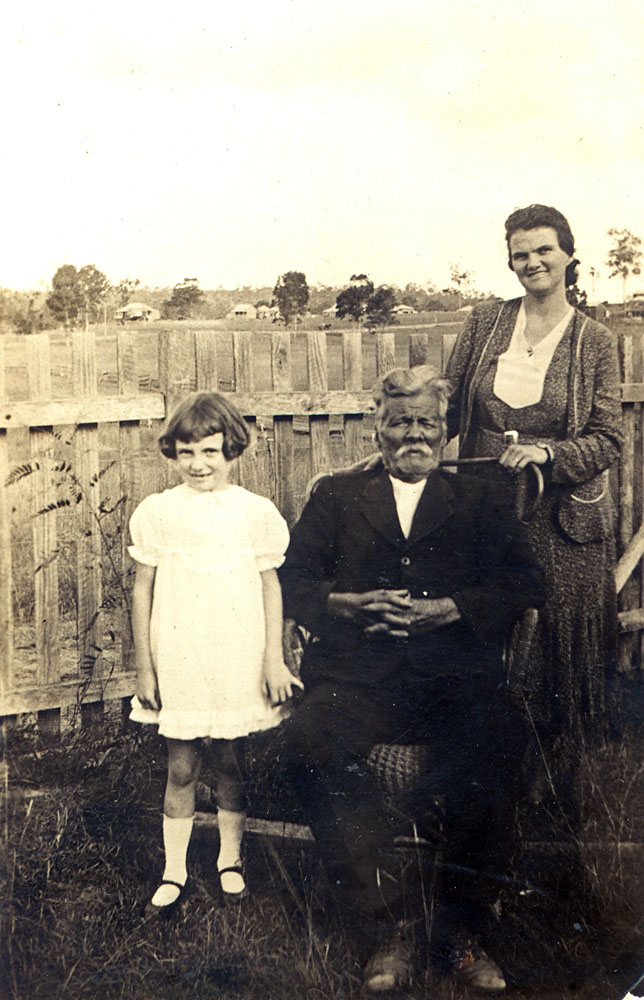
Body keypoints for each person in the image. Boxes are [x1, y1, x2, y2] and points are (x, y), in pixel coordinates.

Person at [279, 366, 545, 994]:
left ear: (446, 431)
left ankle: (461, 929)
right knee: (310, 742)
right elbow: (291, 582)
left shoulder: (481, 501)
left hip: (452, 675)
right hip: (359, 676)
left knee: (499, 736)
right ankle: (388, 925)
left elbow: (527, 584)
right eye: (401, 423)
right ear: (379, 429)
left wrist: (449, 608)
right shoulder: (336, 498)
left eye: (427, 423)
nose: (415, 435)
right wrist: (351, 604)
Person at [445, 204, 623, 797]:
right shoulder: (484, 324)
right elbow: (448, 403)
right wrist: (408, 442)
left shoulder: (595, 340)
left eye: (544, 250)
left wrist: (547, 454)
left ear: (569, 255)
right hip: (487, 507)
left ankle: (556, 785)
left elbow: (608, 437)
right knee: (487, 628)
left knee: (555, 641)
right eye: (520, 254)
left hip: (562, 518)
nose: (532, 262)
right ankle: (486, 775)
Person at [129, 391, 302, 915]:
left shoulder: (253, 513)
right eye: (186, 453)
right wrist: (145, 664)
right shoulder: (159, 512)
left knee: (229, 761)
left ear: (232, 450)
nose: (198, 464)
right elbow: (142, 590)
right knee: (181, 766)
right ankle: (174, 870)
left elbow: (272, 588)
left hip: (236, 654)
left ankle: (231, 859)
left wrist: (272, 658)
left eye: (210, 452)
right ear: (172, 454)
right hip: (180, 653)